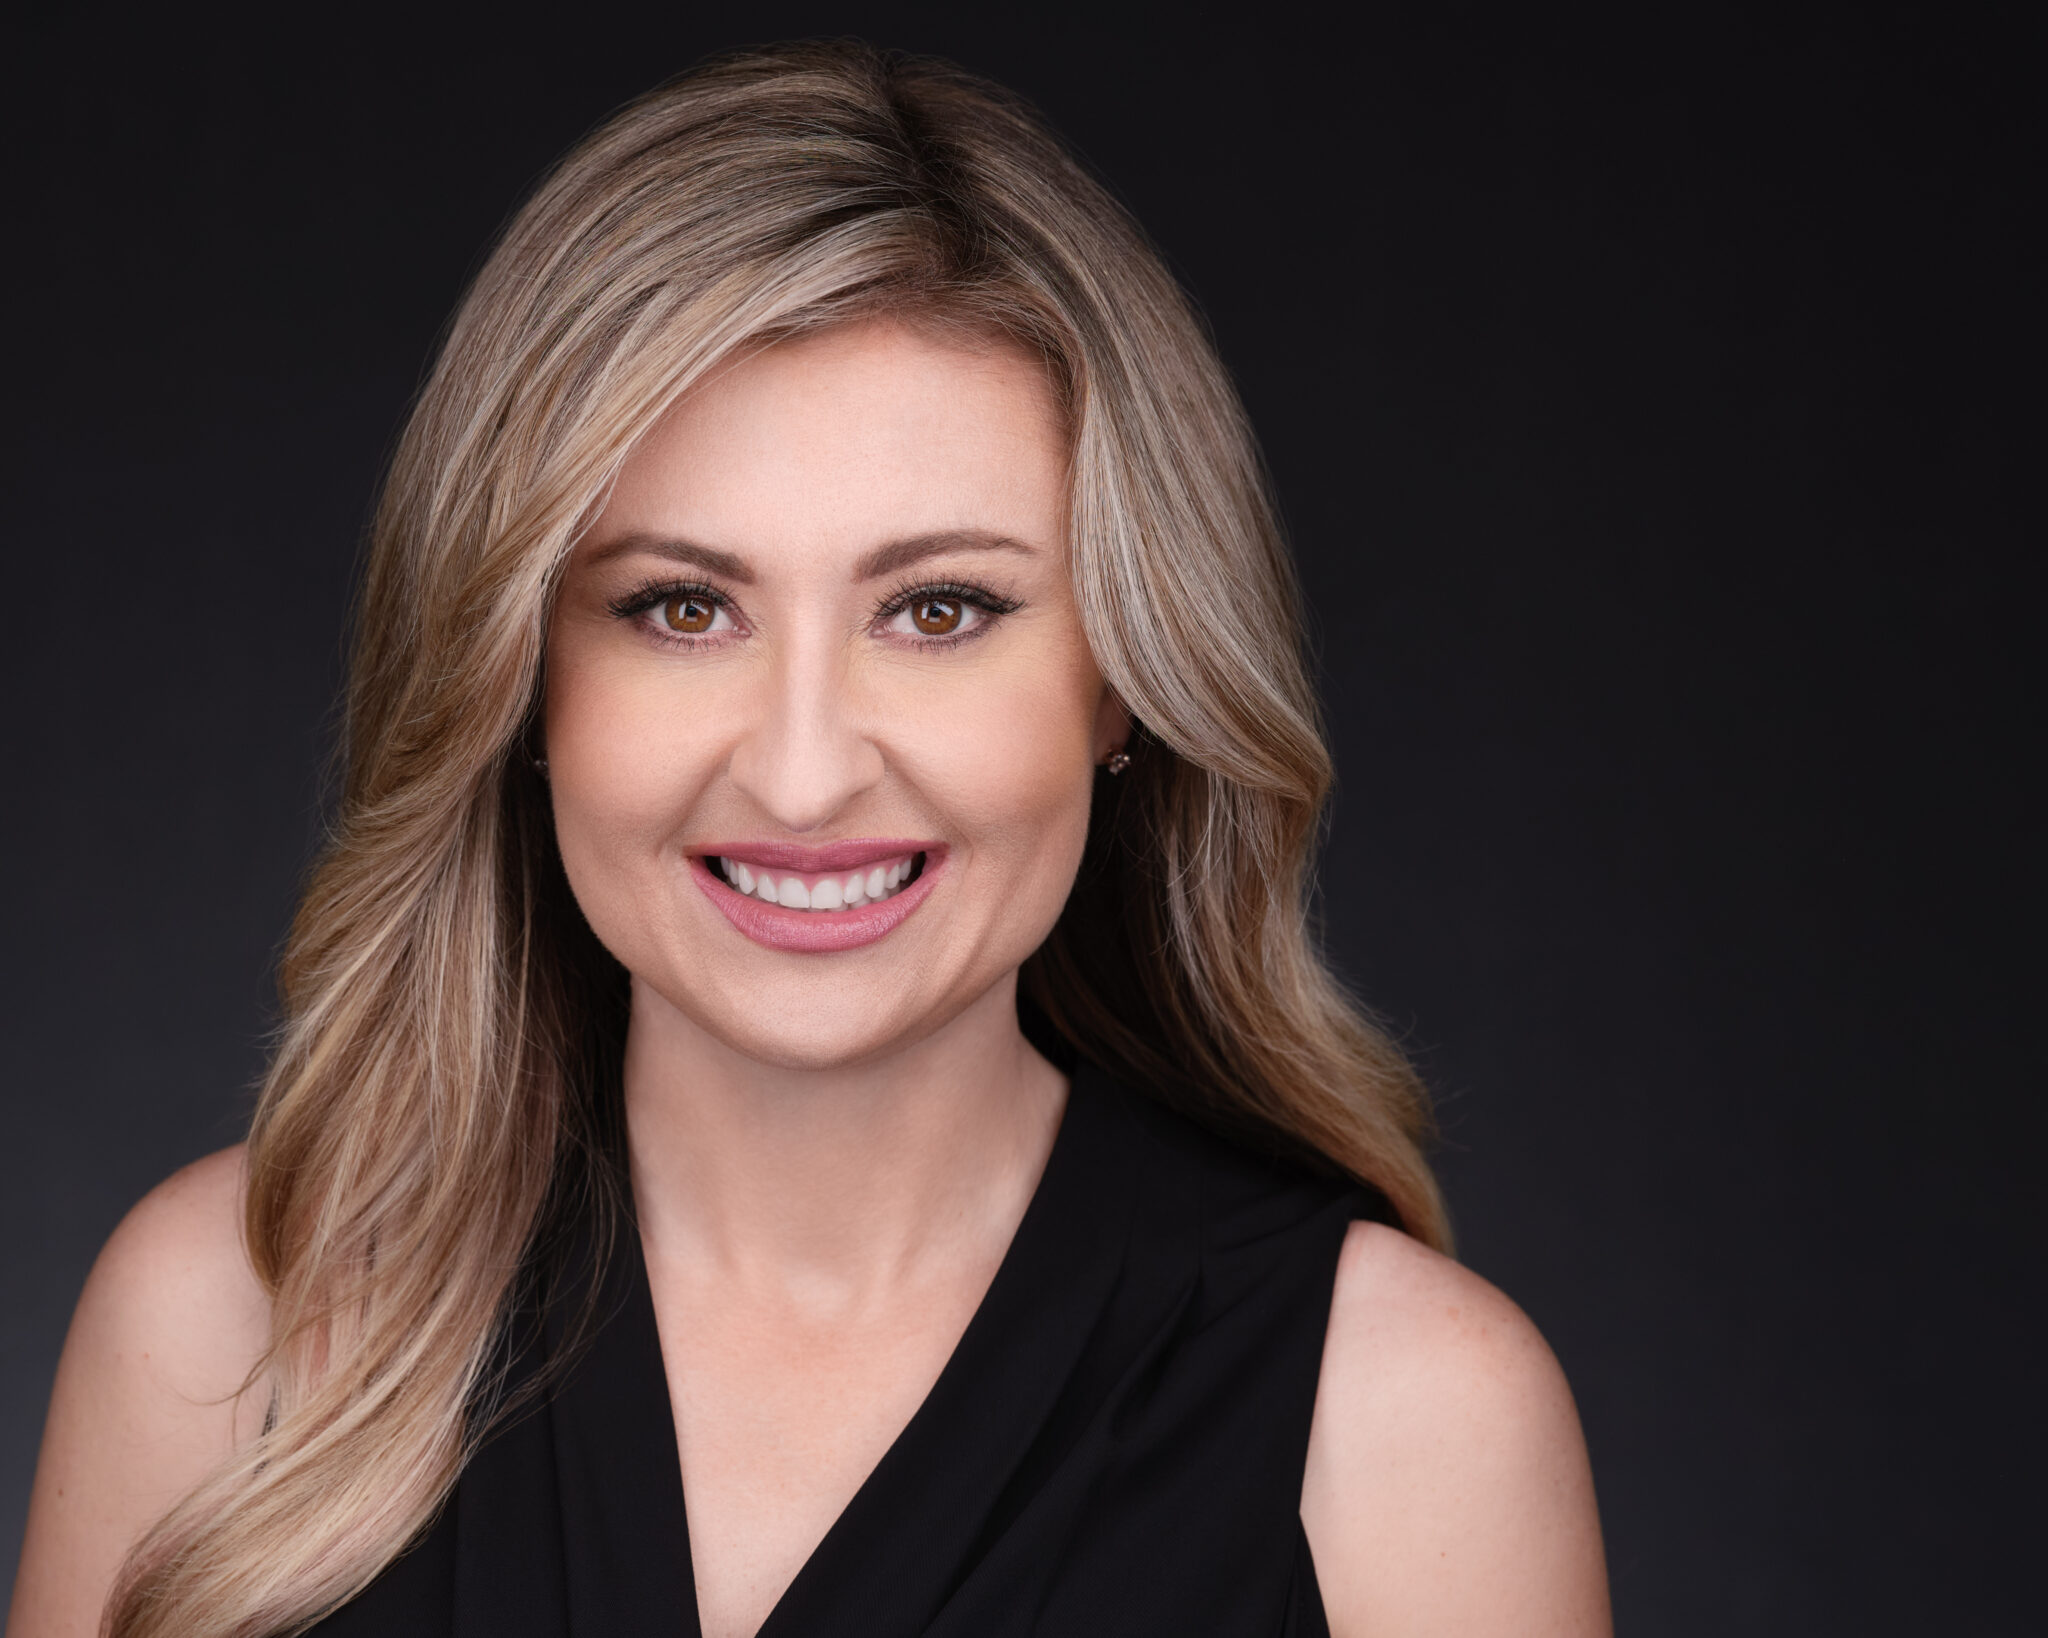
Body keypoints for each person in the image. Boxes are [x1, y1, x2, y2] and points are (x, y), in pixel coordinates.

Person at [8, 42, 1609, 1638]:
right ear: (522, 677)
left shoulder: (1403, 1425)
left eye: (938, 608)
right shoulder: (228, 1323)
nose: (800, 771)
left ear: (1123, 680)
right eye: (681, 607)